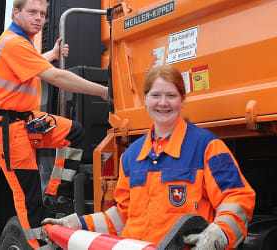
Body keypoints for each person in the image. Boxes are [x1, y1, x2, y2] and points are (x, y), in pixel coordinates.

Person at [42, 65, 256, 250]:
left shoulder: (207, 147)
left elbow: (237, 197)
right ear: (145, 100)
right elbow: (121, 216)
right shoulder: (132, 156)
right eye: (155, 95)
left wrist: (219, 235)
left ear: (183, 99)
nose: (163, 103)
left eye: (171, 95)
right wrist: (76, 225)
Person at [0, 0, 108, 249]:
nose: (38, 18)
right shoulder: (14, 43)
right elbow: (57, 77)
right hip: (6, 128)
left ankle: (56, 196)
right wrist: (104, 91)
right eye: (32, 12)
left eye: (42, 14)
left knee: (74, 133)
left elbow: (31, 65)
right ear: (16, 13)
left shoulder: (19, 42)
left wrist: (52, 55)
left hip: (24, 120)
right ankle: (40, 244)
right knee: (28, 197)